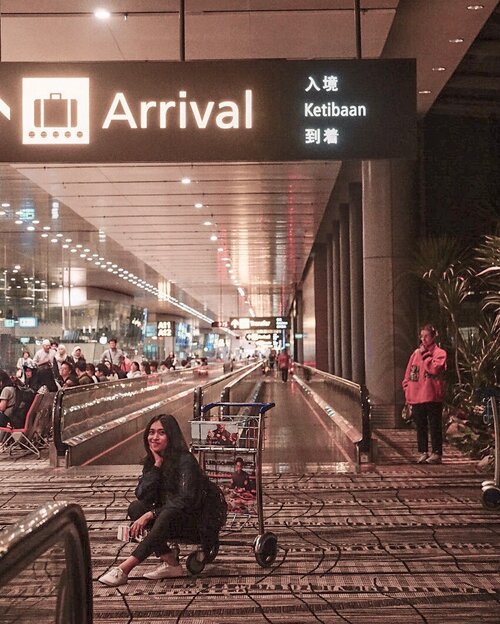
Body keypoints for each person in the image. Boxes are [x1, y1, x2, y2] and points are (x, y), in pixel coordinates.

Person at [98, 414, 208, 587]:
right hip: (168, 518)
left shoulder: (185, 461)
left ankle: (124, 569)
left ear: (171, 436)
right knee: (135, 508)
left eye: (161, 433)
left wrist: (151, 514)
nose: (154, 437)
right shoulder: (153, 460)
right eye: (151, 432)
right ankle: (172, 564)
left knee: (165, 514)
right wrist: (156, 465)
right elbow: (142, 494)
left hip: (193, 523)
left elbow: (186, 500)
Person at [402, 324, 447, 465]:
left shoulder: (440, 353)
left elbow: (434, 369)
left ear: (433, 337)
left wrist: (425, 355)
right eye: (421, 336)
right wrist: (407, 388)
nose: (423, 339)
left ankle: (436, 453)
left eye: (426, 336)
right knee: (420, 426)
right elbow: (409, 372)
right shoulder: (415, 353)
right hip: (416, 395)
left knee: (434, 426)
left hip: (432, 395)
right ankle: (423, 452)